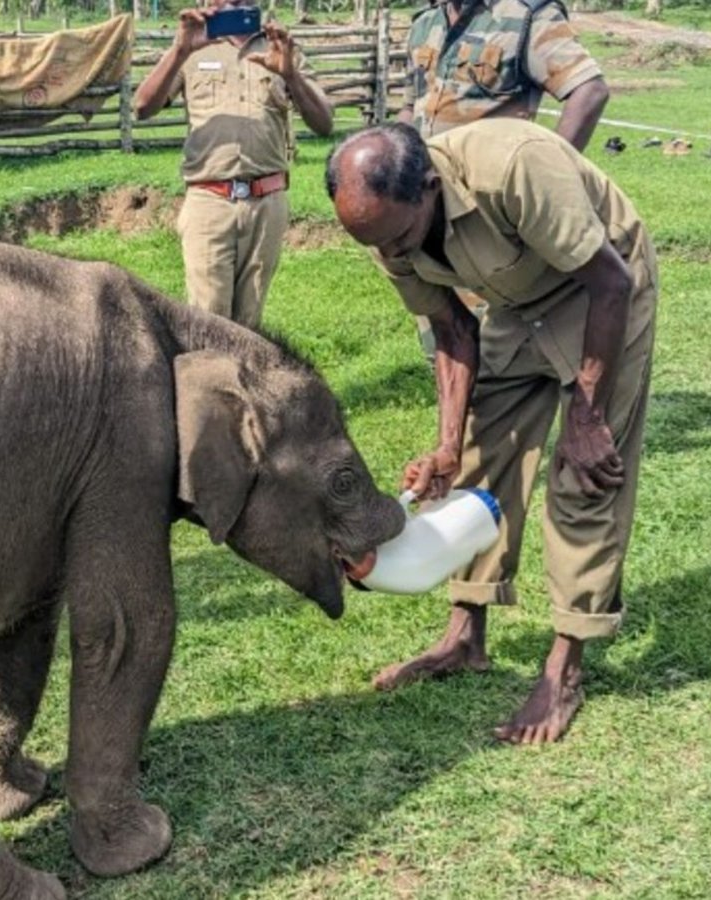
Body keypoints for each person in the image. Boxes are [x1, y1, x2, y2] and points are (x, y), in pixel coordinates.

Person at [326, 120, 657, 744]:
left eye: (398, 238)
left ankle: (565, 666)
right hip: (516, 305)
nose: (392, 256)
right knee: (478, 463)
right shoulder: (386, 228)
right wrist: (448, 444)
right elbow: (453, 330)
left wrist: (584, 417)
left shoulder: (515, 166)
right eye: (376, 245)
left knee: (586, 473)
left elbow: (609, 280)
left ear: (427, 187)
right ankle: (464, 637)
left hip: (603, 290)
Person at [397, 0, 609, 360]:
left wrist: (546, 179)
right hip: (431, 216)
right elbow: (410, 107)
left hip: (489, 215)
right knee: (447, 341)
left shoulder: (525, 15)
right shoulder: (425, 24)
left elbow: (588, 91)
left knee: (498, 349)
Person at [133, 1, 334, 331]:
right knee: (209, 322)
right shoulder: (192, 47)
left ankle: (242, 382)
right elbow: (142, 107)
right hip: (209, 202)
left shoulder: (279, 45)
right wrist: (180, 51)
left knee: (249, 324)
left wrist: (291, 75)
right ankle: (206, 382)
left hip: (268, 204)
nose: (235, 3)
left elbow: (324, 123)